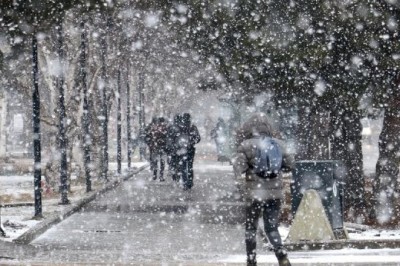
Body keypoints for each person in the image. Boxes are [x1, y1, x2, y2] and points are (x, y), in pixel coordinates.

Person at [232, 113, 293, 266]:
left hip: (254, 194)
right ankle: (281, 254)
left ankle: (251, 260)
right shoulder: (279, 144)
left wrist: (243, 181)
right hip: (275, 193)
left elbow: (238, 168)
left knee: (251, 227)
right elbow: (290, 164)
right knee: (272, 227)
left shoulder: (245, 145)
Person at [174, 113, 201, 190]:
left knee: (183, 166)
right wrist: (192, 142)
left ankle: (186, 182)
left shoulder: (179, 127)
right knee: (189, 166)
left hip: (182, 149)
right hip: (190, 149)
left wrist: (178, 145)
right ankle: (189, 182)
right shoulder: (192, 127)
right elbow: (198, 138)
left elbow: (175, 138)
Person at [145, 117, 168, 181]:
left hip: (155, 147)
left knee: (155, 161)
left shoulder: (154, 128)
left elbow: (148, 136)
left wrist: (150, 144)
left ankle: (155, 175)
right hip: (163, 147)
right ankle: (161, 176)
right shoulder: (165, 128)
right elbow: (168, 138)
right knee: (162, 162)